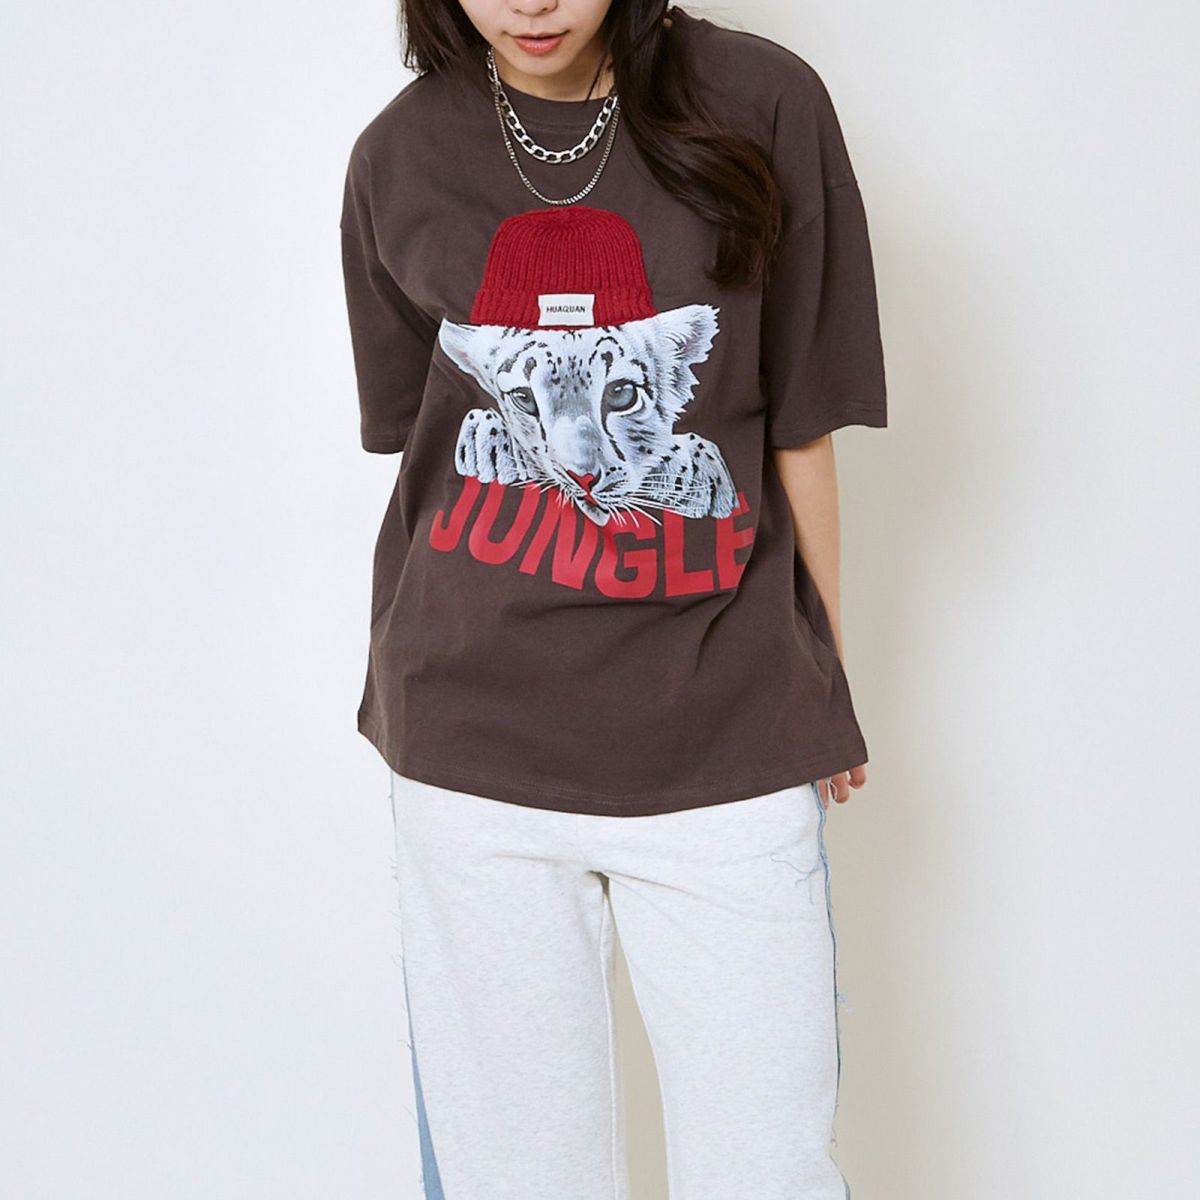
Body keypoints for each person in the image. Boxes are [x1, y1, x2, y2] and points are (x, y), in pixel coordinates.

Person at [338, 1, 887, 1195]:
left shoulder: (763, 103)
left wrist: (825, 670)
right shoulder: (397, 155)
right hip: (472, 750)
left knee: (767, 1170)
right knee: (514, 1177)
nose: (529, 3)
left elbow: (802, 417)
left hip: (726, 726)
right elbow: (421, 443)